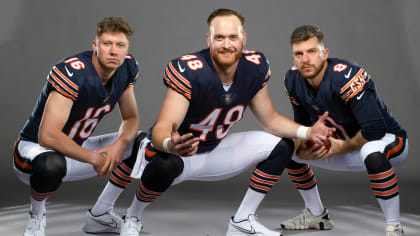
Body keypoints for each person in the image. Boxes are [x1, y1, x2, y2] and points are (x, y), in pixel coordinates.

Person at [86, 9, 334, 236]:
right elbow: (163, 127)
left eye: (233, 38)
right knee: (165, 163)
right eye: (220, 38)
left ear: (244, 38)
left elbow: (269, 119)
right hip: (178, 154)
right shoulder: (190, 69)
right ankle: (132, 217)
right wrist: (172, 145)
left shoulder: (255, 66)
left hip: (215, 150)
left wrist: (307, 131)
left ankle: (242, 220)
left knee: (283, 145)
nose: (227, 45)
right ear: (209, 40)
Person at [12, 17, 145, 236]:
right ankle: (36, 215)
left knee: (140, 143)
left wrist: (120, 145)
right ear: (95, 45)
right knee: (51, 165)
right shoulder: (73, 72)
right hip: (35, 153)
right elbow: (48, 136)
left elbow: (130, 117)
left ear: (127, 48)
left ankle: (100, 214)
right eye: (107, 44)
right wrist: (93, 158)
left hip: (75, 150)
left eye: (120, 45)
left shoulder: (126, 67)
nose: (114, 51)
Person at [280, 25, 408, 236]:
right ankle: (316, 214)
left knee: (372, 154)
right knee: (286, 150)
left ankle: (394, 226)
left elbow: (374, 130)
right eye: (299, 54)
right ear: (293, 57)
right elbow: (301, 124)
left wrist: (341, 148)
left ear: (325, 53)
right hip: (341, 146)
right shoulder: (292, 79)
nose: (305, 59)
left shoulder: (346, 74)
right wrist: (304, 145)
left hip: (386, 142)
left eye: (312, 51)